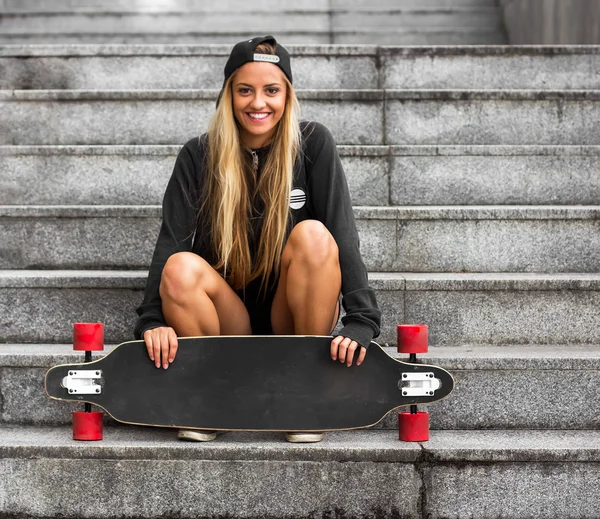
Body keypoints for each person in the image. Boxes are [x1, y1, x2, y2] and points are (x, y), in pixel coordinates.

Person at [134, 35, 381, 443]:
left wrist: (361, 319)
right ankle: (213, 395)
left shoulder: (313, 144)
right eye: (244, 90)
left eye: (271, 90)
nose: (257, 103)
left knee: (315, 236)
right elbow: (171, 241)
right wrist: (153, 319)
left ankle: (304, 393)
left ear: (287, 94)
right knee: (181, 268)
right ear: (228, 94)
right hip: (229, 323)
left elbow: (342, 230)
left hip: (291, 318)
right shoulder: (199, 155)